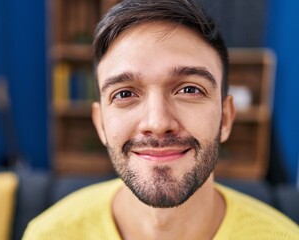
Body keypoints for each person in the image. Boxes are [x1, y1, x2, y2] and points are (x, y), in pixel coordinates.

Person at [23, 0, 299, 239]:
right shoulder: (48, 234)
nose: (157, 122)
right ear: (101, 124)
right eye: (125, 93)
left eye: (189, 89)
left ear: (225, 118)